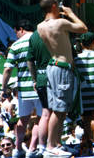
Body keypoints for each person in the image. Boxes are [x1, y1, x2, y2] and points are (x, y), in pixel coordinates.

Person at [36, 0, 88, 157]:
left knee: (60, 109)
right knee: (58, 110)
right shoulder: (59, 23)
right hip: (62, 68)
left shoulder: (40, 26)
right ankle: (51, 146)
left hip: (53, 66)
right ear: (53, 6)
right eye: (58, 5)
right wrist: (71, 13)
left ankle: (57, 143)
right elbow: (83, 28)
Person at [2, 20, 41, 158]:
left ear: (21, 29)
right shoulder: (40, 39)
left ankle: (18, 149)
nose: (16, 35)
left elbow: (8, 68)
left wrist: (4, 88)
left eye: (15, 32)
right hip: (40, 86)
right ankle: (32, 148)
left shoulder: (15, 45)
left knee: (23, 119)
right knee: (40, 119)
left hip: (23, 90)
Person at [75, 32, 94, 154]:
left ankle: (88, 144)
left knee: (86, 120)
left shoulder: (76, 59)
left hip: (84, 95)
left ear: (81, 44)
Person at [26, 28, 53, 157]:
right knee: (56, 113)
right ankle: (52, 145)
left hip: (41, 78)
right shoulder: (57, 30)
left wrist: (35, 79)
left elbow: (29, 60)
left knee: (45, 113)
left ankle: (42, 147)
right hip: (56, 76)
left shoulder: (34, 36)